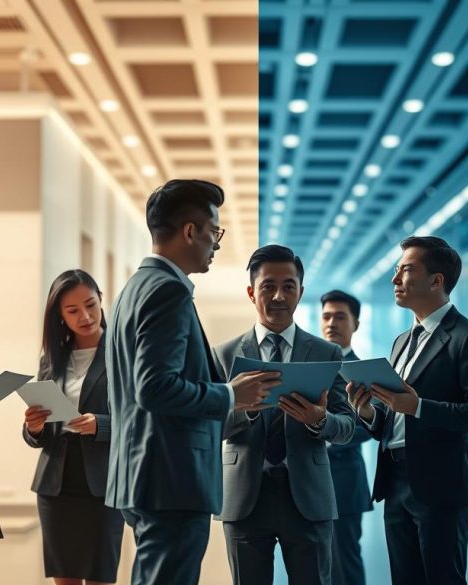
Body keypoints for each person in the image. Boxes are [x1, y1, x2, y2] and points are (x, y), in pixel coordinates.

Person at [105, 179, 279, 585]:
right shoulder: (169, 291)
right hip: (172, 479)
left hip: (142, 474)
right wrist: (231, 394)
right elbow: (154, 387)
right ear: (189, 231)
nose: (216, 243)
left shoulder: (132, 289)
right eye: (213, 231)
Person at [347, 236, 468, 585]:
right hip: (396, 479)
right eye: (396, 270)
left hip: (443, 484)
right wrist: (369, 413)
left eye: (405, 270)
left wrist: (418, 406)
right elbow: (395, 415)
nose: (394, 279)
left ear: (436, 280)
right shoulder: (403, 341)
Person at [212, 246, 356, 585]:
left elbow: (347, 427)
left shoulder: (325, 353)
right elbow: (208, 426)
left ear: (301, 292)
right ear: (251, 292)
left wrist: (319, 419)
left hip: (308, 496)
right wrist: (242, 411)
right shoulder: (224, 355)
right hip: (246, 496)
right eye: (268, 286)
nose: (279, 296)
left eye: (288, 286)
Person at [23, 269, 125, 585]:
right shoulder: (52, 359)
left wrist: (101, 425)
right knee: (64, 580)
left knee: (100, 576)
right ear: (59, 316)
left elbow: (139, 419)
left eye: (90, 305)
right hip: (56, 484)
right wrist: (34, 427)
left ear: (101, 301)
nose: (85, 316)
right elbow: (36, 436)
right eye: (72, 310)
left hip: (103, 483)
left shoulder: (123, 353)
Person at [320, 289, 373, 585]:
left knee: (345, 561)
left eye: (340, 317)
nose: (332, 323)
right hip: (305, 483)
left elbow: (371, 426)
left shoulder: (364, 372)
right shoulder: (308, 368)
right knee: (313, 563)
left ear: (355, 324)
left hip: (344, 482)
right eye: (326, 316)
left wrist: (326, 434)